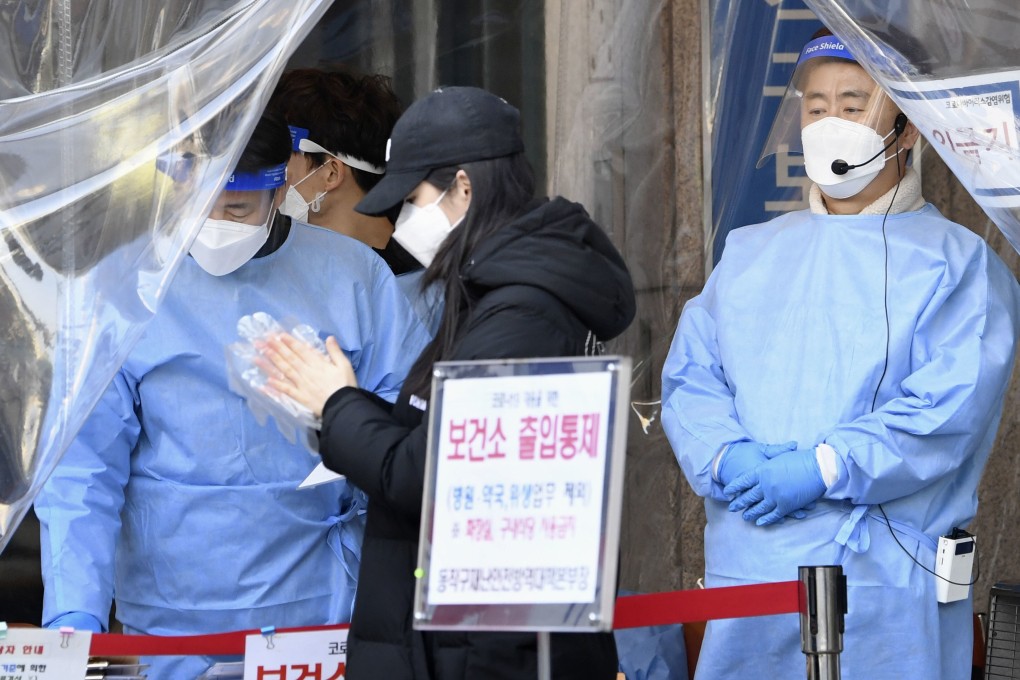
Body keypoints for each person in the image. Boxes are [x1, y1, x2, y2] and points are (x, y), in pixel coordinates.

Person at [661, 29, 1020, 680]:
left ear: (907, 130)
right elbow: (692, 378)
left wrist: (825, 466)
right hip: (751, 579)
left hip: (886, 588)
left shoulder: (960, 266)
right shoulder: (747, 255)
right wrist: (724, 455)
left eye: (854, 106)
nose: (831, 123)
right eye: (816, 106)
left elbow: (947, 411)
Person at [34, 111, 432, 680]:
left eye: (237, 209)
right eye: (198, 205)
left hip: (320, 606)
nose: (215, 223)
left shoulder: (353, 277)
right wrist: (75, 617)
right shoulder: (126, 287)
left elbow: (405, 440)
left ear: (279, 191)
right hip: (174, 615)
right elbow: (84, 470)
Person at [256, 86, 633, 680]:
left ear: (464, 187)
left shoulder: (522, 313)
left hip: (486, 651)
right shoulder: (491, 295)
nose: (403, 221)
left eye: (412, 199)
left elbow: (433, 475)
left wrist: (338, 404)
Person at [268, 67, 420, 276]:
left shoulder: (417, 285)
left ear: (330, 173)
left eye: (281, 164)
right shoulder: (288, 273)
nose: (271, 182)